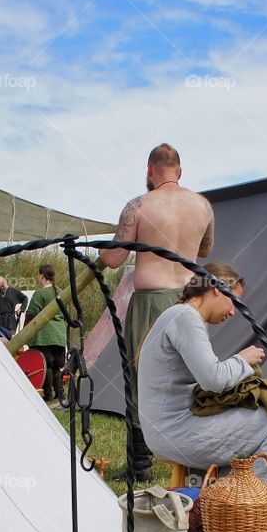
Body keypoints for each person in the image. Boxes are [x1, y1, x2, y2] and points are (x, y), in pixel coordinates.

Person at [137, 262, 267, 525]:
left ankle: (247, 504)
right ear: (214, 289)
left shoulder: (179, 316)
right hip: (174, 431)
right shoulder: (185, 318)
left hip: (168, 427)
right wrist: (243, 359)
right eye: (233, 300)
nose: (234, 311)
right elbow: (213, 379)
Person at [99, 142, 214, 479]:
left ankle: (140, 466)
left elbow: (112, 259)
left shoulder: (138, 206)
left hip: (151, 302)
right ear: (180, 171)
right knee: (192, 376)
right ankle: (194, 462)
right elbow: (206, 248)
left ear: (149, 171)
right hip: (193, 302)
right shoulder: (202, 206)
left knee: (142, 377)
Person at [24, 264, 67, 404]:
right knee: (57, 365)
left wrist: (25, 332)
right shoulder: (61, 292)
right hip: (59, 333)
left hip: (45, 335)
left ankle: (48, 394)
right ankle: (60, 393)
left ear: (42, 275)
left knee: (46, 365)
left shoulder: (40, 293)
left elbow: (31, 314)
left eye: (38, 275)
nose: (38, 277)